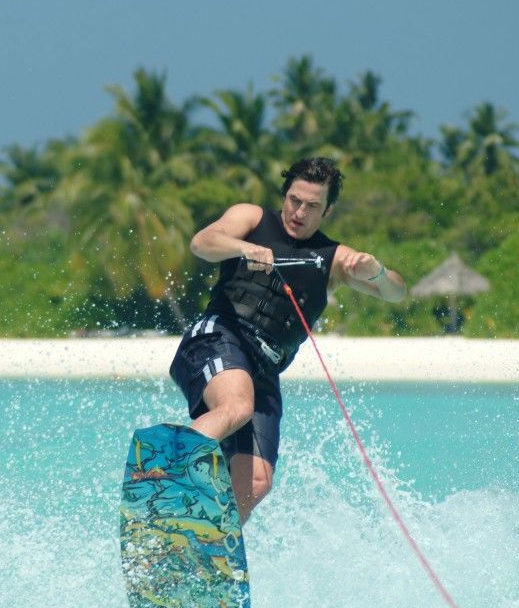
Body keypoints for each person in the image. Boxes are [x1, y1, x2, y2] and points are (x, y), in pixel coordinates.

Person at [169, 157, 406, 523]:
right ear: (284, 196)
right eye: (295, 200)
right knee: (236, 407)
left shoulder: (334, 258)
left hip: (265, 368)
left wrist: (376, 271)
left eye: (313, 206)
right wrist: (243, 248)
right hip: (219, 336)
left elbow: (393, 293)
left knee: (258, 480)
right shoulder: (251, 218)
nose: (300, 212)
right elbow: (203, 242)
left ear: (328, 210)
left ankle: (201, 538)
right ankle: (165, 470)